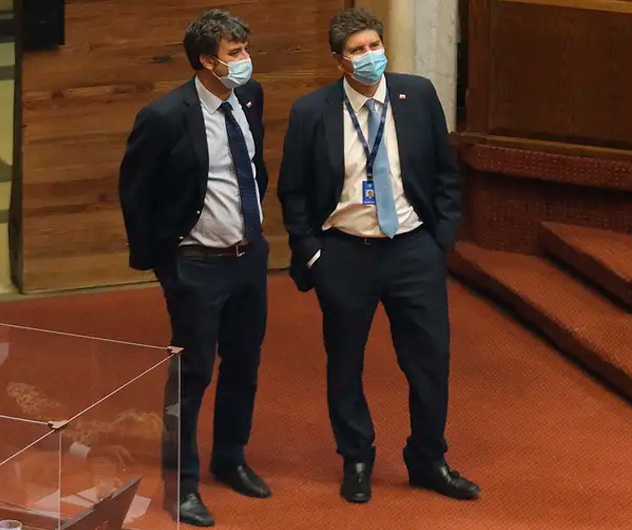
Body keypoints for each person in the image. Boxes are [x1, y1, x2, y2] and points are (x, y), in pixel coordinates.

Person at [277, 7, 480, 504]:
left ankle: (428, 458)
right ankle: (357, 457)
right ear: (338, 61)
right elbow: (293, 191)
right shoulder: (312, 112)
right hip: (345, 253)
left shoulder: (418, 95)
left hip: (413, 249)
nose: (370, 56)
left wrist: (441, 239)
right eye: (357, 51)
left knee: (430, 359)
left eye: (374, 46)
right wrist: (313, 254)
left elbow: (444, 170)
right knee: (345, 362)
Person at [118, 9, 270, 527]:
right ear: (207, 61)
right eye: (235, 54)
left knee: (244, 364)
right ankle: (181, 486)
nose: (246, 61)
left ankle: (230, 457)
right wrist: (163, 264)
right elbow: (136, 194)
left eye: (245, 50)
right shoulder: (164, 117)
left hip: (248, 257)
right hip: (196, 264)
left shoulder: (250, 96)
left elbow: (253, 169)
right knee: (192, 374)